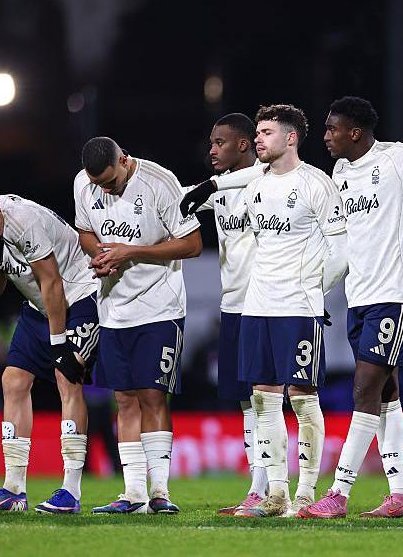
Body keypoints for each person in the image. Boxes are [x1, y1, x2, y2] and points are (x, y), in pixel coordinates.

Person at [298, 96, 403, 519]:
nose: (325, 137)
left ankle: (338, 493)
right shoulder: (340, 173)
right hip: (358, 298)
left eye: (331, 129)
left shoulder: (402, 158)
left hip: (394, 295)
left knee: (364, 389)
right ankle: (401, 495)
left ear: (354, 132)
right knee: (386, 395)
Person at [232, 105, 348, 518]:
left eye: (265, 132)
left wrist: (317, 290)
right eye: (258, 132)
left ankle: (306, 492)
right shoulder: (254, 187)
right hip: (257, 307)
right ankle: (276, 493)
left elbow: (341, 249)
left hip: (298, 308)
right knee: (262, 400)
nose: (258, 139)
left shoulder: (316, 184)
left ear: (290, 137)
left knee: (302, 399)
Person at [75, 137, 202, 515]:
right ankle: (133, 494)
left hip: (159, 308)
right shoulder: (84, 183)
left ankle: (160, 491)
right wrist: (100, 254)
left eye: (110, 183)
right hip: (113, 309)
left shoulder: (161, 184)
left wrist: (131, 252)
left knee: (152, 396)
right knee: (124, 399)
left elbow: (193, 243)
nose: (104, 190)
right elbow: (84, 230)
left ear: (125, 160)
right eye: (98, 184)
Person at [0, 190, 96, 514]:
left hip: (79, 292)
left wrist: (59, 344)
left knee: (67, 377)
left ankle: (71, 491)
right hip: (37, 305)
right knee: (13, 381)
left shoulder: (23, 219)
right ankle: (13, 489)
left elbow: (52, 283)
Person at [182, 113, 271, 515]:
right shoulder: (218, 193)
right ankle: (259, 487)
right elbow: (179, 198)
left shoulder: (269, 182)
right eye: (210, 142)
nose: (212, 150)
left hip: (267, 305)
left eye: (220, 142)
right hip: (232, 306)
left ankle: (276, 488)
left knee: (269, 399)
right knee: (245, 402)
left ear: (244, 144)